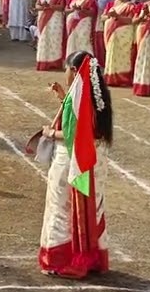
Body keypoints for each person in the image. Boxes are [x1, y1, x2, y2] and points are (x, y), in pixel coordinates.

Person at [37, 51, 112, 279]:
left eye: (67, 69)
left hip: (73, 159)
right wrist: (63, 97)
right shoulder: (95, 94)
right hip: (95, 161)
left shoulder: (82, 96)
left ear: (74, 70)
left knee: (62, 207)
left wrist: (51, 133)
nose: (66, 74)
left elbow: (76, 134)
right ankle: (91, 256)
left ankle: (60, 258)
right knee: (92, 205)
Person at [102, 0, 137, 87]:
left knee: (122, 55)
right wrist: (109, 16)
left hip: (123, 33)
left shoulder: (130, 6)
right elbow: (103, 17)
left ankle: (123, 79)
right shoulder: (111, 4)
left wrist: (118, 16)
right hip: (110, 32)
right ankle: (110, 77)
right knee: (111, 54)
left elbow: (131, 20)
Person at [34, 0, 68, 71]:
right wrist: (44, 7)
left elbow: (62, 7)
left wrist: (50, 6)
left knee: (54, 40)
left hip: (55, 19)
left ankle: (54, 63)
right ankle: (43, 62)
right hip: (43, 18)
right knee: (43, 39)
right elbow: (37, 5)